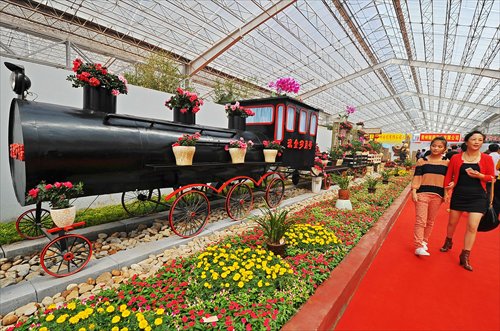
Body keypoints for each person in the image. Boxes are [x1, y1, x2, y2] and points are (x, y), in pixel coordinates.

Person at [440, 131, 495, 271]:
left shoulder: (487, 158)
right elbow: (449, 175)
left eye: (480, 140)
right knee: (452, 222)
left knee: (472, 226)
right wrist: (447, 190)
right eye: (474, 139)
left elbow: (491, 178)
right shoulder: (456, 158)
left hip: (478, 196)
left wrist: (480, 175)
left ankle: (465, 255)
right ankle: (448, 240)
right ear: (466, 141)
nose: (477, 142)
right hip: (459, 194)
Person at [411, 137, 449, 256]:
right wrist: (414, 191)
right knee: (420, 220)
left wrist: (447, 193)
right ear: (430, 146)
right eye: (434, 145)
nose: (436, 148)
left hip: (438, 195)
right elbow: (417, 176)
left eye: (439, 146)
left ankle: (424, 241)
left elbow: (448, 180)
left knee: (430, 221)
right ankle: (418, 245)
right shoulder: (422, 161)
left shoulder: (447, 162)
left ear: (444, 149)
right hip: (422, 193)